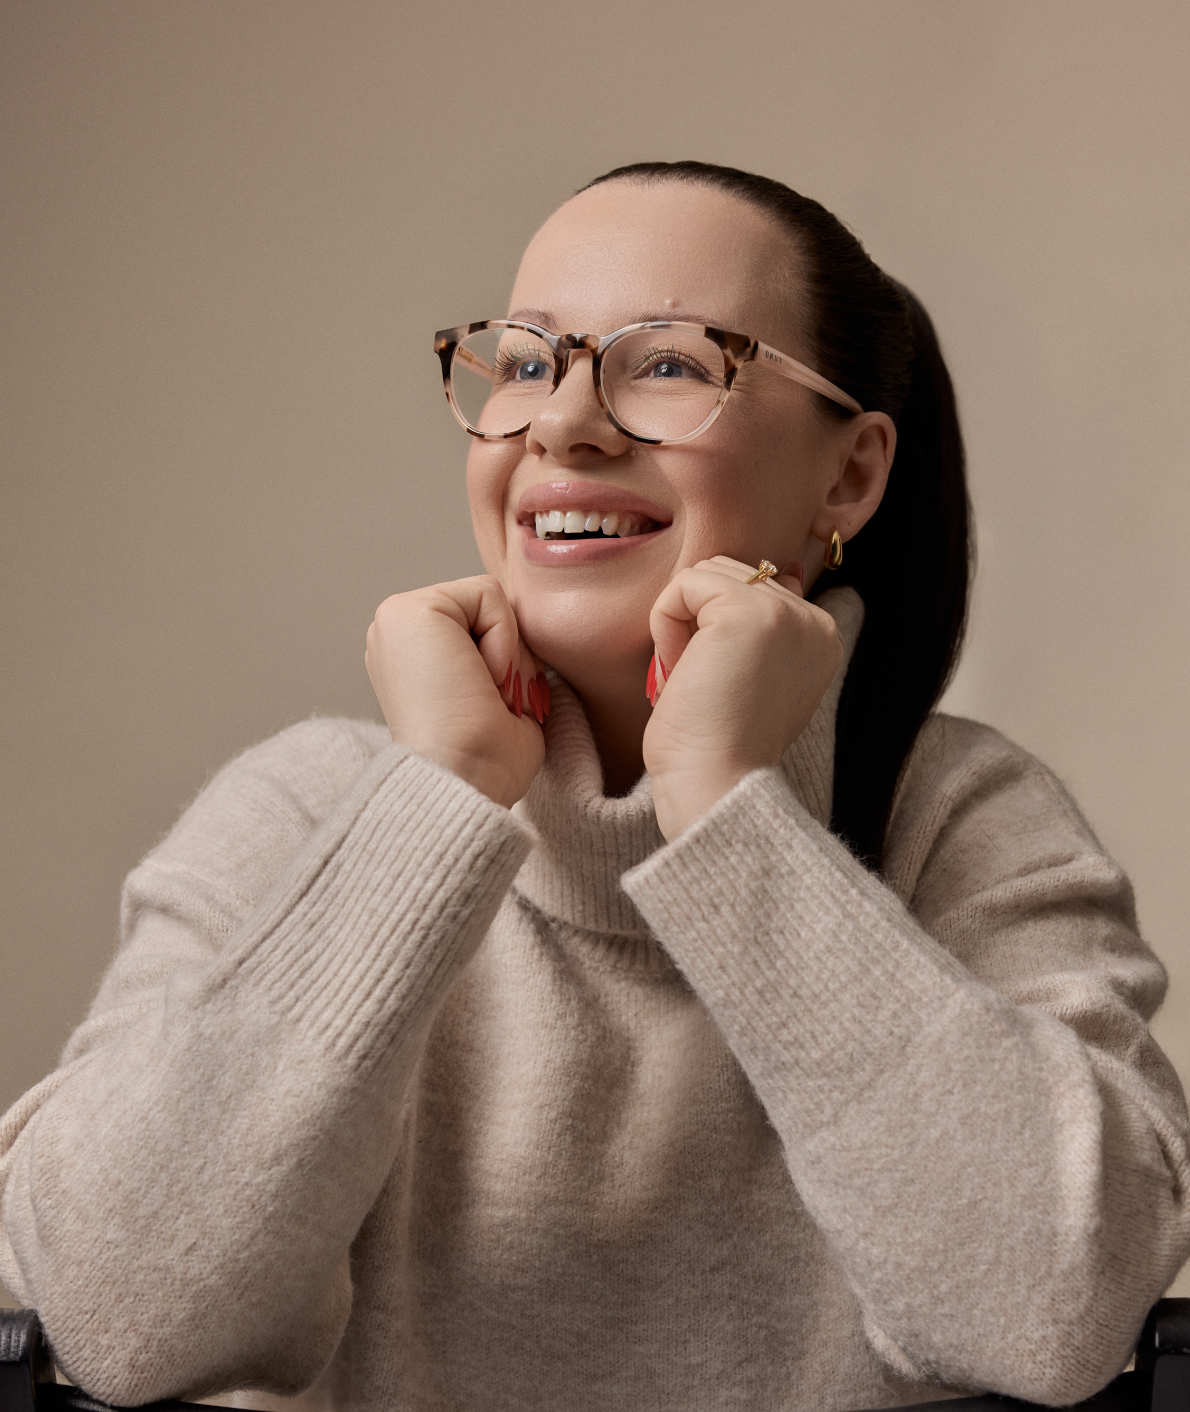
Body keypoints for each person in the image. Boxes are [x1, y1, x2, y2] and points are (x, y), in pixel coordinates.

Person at [1, 161, 1188, 1412]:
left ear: (847, 475)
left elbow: (1054, 1313)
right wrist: (444, 793)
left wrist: (725, 805)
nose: (561, 424)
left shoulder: (962, 820)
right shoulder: (303, 809)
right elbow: (113, 1315)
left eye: (667, 363)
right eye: (524, 362)